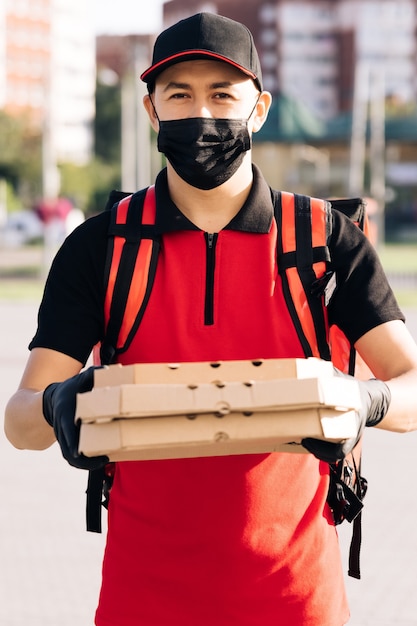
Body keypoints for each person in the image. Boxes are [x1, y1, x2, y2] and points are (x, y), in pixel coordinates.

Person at [4, 12, 417, 626]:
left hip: (298, 602)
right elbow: (21, 422)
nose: (203, 113)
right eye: (180, 95)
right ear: (151, 112)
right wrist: (59, 403)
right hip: (142, 601)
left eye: (223, 94)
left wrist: (363, 402)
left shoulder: (324, 240)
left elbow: (410, 385)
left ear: (259, 109)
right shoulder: (102, 247)